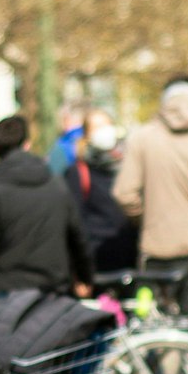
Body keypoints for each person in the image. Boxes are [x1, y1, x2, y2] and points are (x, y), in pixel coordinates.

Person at [112, 77, 188, 319]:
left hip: (156, 249)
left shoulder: (142, 139)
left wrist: (143, 219)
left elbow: (124, 194)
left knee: (150, 320)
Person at [0, 115, 94, 299]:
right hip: (53, 289)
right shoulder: (56, 186)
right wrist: (85, 277)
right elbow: (78, 238)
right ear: (27, 144)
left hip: (7, 292)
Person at [63, 109, 139, 292]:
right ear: (86, 135)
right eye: (97, 127)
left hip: (129, 256)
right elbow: (74, 222)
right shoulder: (78, 172)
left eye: (106, 125)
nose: (104, 131)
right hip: (97, 260)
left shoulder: (128, 165)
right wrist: (79, 271)